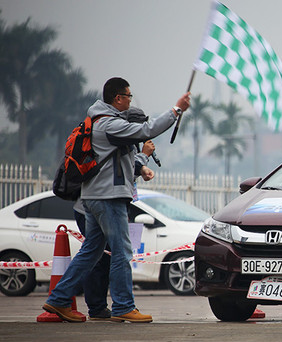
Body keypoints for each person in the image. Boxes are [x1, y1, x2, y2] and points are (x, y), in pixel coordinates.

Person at [43, 77, 190, 323]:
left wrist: (141, 164)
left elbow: (126, 158)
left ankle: (58, 300)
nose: (130, 100)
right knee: (122, 251)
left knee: (91, 251)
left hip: (94, 196)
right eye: (129, 96)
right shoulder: (109, 124)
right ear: (118, 98)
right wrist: (176, 110)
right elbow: (147, 130)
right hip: (107, 197)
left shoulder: (99, 122)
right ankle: (123, 306)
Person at [73, 139, 156, 321]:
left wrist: (142, 163)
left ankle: (61, 299)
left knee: (98, 254)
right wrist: (144, 156)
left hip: (104, 202)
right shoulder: (116, 136)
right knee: (104, 255)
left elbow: (129, 169)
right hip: (103, 203)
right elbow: (124, 168)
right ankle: (112, 306)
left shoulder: (123, 139)